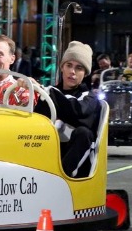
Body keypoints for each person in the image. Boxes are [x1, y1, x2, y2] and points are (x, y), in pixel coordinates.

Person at [35, 41, 101, 178]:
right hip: (47, 157)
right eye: (69, 65)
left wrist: (47, 92)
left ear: (85, 73)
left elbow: (76, 112)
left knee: (84, 133)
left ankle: (60, 176)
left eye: (79, 68)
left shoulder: (89, 98)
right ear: (62, 67)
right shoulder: (50, 94)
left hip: (76, 167)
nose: (72, 72)